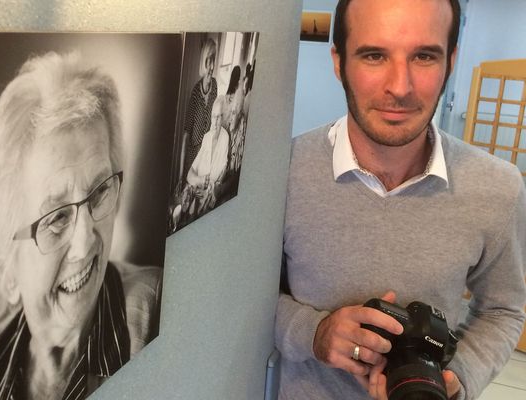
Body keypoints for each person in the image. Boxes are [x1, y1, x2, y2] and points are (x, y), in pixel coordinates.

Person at [275, 0, 526, 399]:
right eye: (374, 55)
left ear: (451, 62)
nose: (400, 87)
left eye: (424, 56)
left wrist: (455, 378)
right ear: (338, 62)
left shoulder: (498, 187)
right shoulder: (279, 172)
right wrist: (315, 332)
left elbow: (503, 310)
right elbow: (246, 295)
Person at [0, 52, 162, 400]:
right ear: (6, 267)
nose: (86, 243)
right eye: (57, 218)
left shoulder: (162, 319)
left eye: (99, 193)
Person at [181, 37, 218, 184]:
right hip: (193, 156)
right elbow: (186, 134)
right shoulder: (196, 93)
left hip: (206, 153)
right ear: (204, 62)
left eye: (214, 60)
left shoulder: (214, 87)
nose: (212, 66)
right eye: (209, 60)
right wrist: (180, 174)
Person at [186, 96, 229, 215]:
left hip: (208, 207)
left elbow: (219, 177)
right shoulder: (206, 138)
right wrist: (199, 180)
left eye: (218, 117)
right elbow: (189, 175)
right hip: (195, 196)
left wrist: (210, 187)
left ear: (223, 117)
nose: (214, 122)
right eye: (213, 116)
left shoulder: (225, 138)